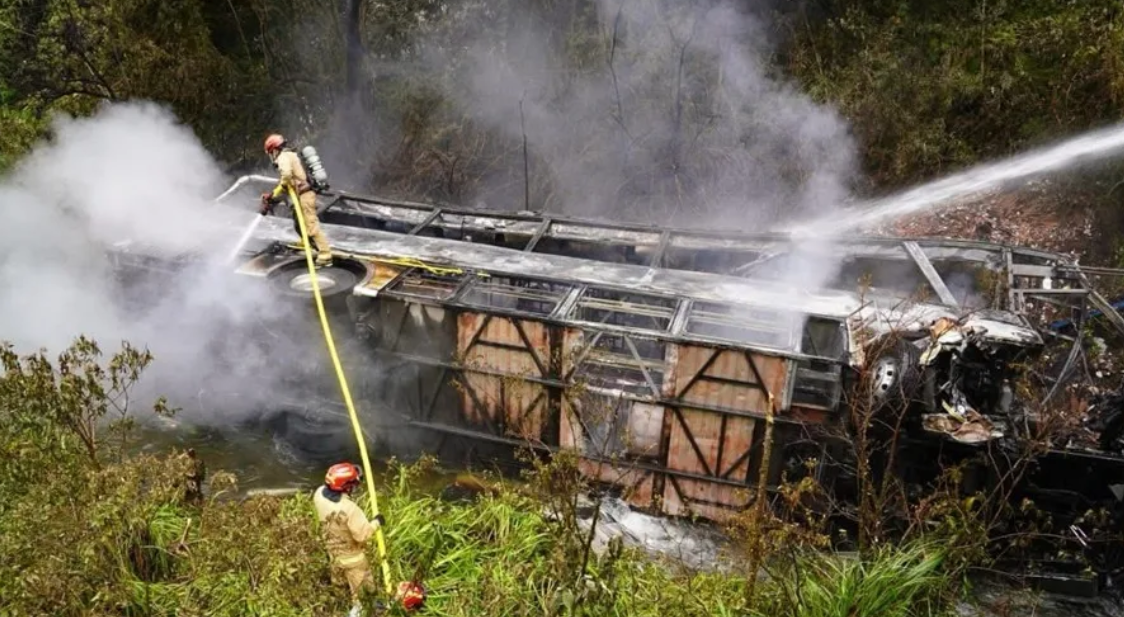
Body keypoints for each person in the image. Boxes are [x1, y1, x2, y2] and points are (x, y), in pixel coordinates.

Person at [312, 462, 385, 614]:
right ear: (345, 487)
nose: (354, 487)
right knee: (364, 594)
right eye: (352, 484)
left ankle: (339, 604)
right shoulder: (350, 509)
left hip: (333, 554)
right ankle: (362, 611)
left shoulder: (318, 494)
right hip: (353, 560)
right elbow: (362, 535)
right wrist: (376, 522)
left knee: (339, 585)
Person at [261, 133, 333, 266]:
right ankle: (307, 242)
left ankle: (325, 254)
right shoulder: (290, 155)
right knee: (298, 222)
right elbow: (287, 186)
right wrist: (273, 196)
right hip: (300, 195)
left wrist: (280, 188)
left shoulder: (283, 156)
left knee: (310, 224)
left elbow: (286, 176)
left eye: (271, 153)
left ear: (274, 150)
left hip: (305, 195)